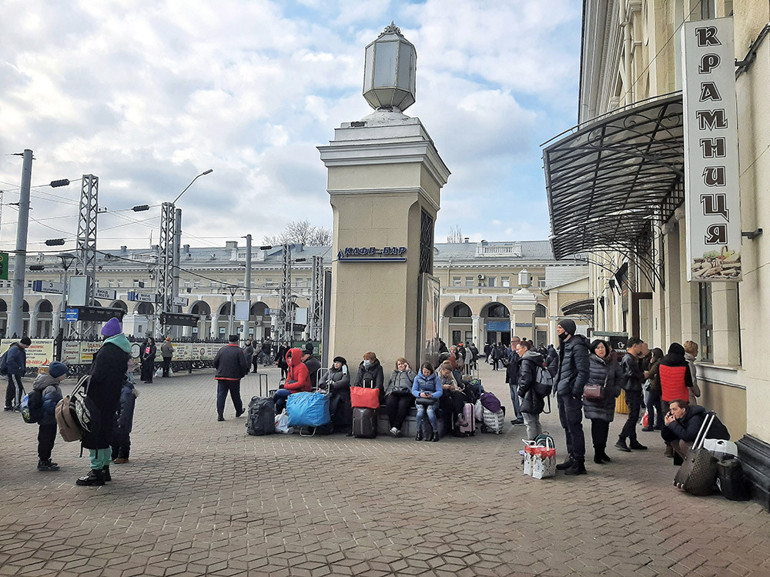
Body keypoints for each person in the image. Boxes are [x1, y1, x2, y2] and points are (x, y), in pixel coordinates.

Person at [77, 317, 131, 487]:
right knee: (106, 432)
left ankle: (96, 471)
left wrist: (85, 379)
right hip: (111, 397)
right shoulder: (121, 350)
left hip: (99, 399)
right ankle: (105, 468)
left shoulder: (107, 351)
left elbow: (98, 376)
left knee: (96, 435)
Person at [554, 319, 590, 475]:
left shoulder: (577, 346)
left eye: (560, 328)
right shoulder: (565, 345)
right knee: (567, 425)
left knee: (574, 426)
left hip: (570, 394)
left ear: (568, 330)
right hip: (563, 392)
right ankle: (572, 457)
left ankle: (579, 462)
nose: (557, 330)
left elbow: (583, 371)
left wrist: (575, 391)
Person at [583, 339, 622, 464]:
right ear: (593, 350)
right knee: (597, 425)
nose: (601, 350)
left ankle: (602, 450)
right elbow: (583, 376)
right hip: (594, 398)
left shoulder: (613, 363)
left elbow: (619, 377)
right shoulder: (589, 362)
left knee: (605, 425)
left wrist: (616, 390)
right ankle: (597, 452)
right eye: (598, 348)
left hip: (608, 398)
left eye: (603, 347)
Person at [653, 342, 694, 458]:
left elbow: (657, 384)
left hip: (666, 398)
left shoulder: (661, 363)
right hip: (681, 400)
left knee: (668, 421)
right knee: (682, 422)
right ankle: (680, 448)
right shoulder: (684, 364)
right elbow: (689, 382)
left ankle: (669, 447)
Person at [661, 399, 729, 464]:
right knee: (674, 441)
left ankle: (698, 465)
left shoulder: (695, 418)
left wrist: (673, 424)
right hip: (699, 440)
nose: (672, 412)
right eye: (670, 410)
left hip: (712, 441)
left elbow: (688, 436)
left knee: (683, 443)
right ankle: (688, 462)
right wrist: (667, 425)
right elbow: (667, 437)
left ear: (683, 410)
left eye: (675, 409)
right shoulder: (679, 417)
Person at [614, 337, 648, 452]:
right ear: (635, 346)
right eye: (640, 346)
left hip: (633, 388)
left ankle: (633, 440)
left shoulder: (632, 358)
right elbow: (631, 373)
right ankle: (621, 438)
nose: (641, 348)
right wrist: (643, 375)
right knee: (633, 416)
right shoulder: (628, 358)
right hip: (631, 389)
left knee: (634, 415)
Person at [33, 361, 67, 472]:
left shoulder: (50, 384)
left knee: (46, 439)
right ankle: (43, 461)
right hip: (48, 419)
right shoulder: (51, 388)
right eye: (64, 373)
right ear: (58, 375)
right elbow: (49, 405)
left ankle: (45, 459)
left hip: (47, 419)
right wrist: (59, 410)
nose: (66, 375)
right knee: (46, 440)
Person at [213, 335, 250, 421]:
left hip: (221, 377)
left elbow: (215, 362)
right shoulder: (240, 351)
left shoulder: (222, 350)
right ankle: (238, 410)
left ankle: (220, 415)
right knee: (235, 395)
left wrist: (219, 370)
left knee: (221, 395)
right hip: (234, 377)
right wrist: (242, 374)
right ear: (237, 341)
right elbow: (243, 365)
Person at [516, 340, 547, 441]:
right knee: (535, 420)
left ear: (525, 349)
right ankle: (540, 442)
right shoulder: (535, 358)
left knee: (529, 421)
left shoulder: (526, 360)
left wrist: (520, 391)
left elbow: (527, 378)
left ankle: (532, 445)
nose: (517, 351)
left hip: (528, 394)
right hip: (537, 392)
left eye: (518, 349)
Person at [111, 359, 139, 463]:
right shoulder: (122, 388)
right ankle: (115, 454)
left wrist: (121, 420)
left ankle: (123, 455)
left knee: (122, 436)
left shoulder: (126, 390)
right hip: (118, 416)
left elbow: (126, 406)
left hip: (122, 418)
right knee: (115, 437)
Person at [384, 358, 416, 437]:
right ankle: (395, 428)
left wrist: (408, 370)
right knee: (390, 403)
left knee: (403, 405)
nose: (400, 366)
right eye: (399, 364)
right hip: (395, 392)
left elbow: (415, 380)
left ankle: (395, 427)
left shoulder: (411, 373)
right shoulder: (394, 373)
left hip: (406, 393)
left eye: (402, 364)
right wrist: (388, 393)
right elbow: (390, 384)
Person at [273, 347, 311, 414]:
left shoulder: (302, 367)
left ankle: (268, 405)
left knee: (279, 392)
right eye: (288, 357)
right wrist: (287, 385)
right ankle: (278, 416)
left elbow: (301, 383)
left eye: (291, 357)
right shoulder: (291, 367)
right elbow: (288, 379)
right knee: (279, 401)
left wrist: (287, 386)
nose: (289, 359)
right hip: (293, 389)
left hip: (302, 390)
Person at [319, 356, 351, 433]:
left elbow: (345, 381)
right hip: (328, 391)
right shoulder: (330, 370)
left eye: (338, 363)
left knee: (335, 403)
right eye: (335, 362)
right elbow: (323, 378)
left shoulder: (344, 372)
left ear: (342, 365)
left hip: (340, 392)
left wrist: (334, 385)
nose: (336, 364)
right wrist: (322, 384)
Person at [412, 362, 442, 442]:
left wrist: (432, 395)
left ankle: (435, 432)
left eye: (428, 372)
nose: (426, 374)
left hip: (432, 400)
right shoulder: (417, 378)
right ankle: (418, 432)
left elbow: (439, 391)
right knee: (420, 413)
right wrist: (420, 394)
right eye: (424, 372)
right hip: (421, 399)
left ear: (431, 371)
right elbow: (413, 390)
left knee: (430, 412)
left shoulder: (436, 379)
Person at [436, 361, 467, 437]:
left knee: (458, 396)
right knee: (453, 404)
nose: (447, 375)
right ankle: (458, 420)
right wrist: (443, 387)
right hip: (440, 396)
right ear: (441, 370)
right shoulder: (436, 375)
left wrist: (453, 387)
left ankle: (459, 417)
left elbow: (453, 384)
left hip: (447, 394)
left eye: (448, 373)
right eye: (446, 373)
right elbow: (434, 386)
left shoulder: (449, 375)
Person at [4, 336, 31, 411]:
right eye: (27, 345)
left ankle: (8, 405)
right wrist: (18, 368)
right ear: (24, 344)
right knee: (18, 387)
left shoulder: (20, 349)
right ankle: (17, 405)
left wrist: (23, 369)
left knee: (11, 387)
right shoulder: (15, 349)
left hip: (16, 372)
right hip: (13, 372)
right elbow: (10, 360)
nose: (27, 347)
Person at [642, 347, 664, 432]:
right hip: (660, 387)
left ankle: (650, 424)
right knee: (658, 405)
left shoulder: (656, 364)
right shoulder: (662, 362)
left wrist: (650, 364)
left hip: (654, 386)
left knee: (649, 404)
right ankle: (659, 423)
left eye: (652, 355)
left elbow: (650, 373)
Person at [505, 336, 524, 425]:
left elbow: (517, 363)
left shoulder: (519, 353)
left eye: (514, 342)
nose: (512, 343)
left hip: (517, 378)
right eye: (511, 342)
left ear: (518, 342)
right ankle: (517, 415)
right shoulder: (512, 353)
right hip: (511, 378)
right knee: (513, 398)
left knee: (517, 398)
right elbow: (511, 363)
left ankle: (521, 417)